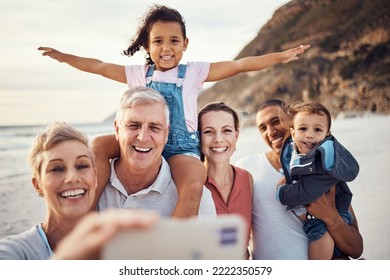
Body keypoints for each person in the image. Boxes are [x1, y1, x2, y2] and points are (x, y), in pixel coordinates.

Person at [38, 4, 310, 218]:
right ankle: (86, 213)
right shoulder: (138, 74)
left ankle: (173, 244)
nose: (166, 48)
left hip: (180, 148)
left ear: (185, 44)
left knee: (194, 182)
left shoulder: (193, 72)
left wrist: (280, 56)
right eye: (158, 41)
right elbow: (97, 66)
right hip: (143, 141)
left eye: (173, 41)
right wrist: (63, 56)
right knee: (97, 144)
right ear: (147, 46)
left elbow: (239, 65)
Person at [235, 99, 363, 260]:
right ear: (294, 130)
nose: (271, 131)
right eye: (262, 128)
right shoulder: (247, 168)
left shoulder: (324, 166)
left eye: (276, 121)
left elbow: (357, 249)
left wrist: (331, 216)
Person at [95, 86, 216, 217]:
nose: (143, 137)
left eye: (154, 128)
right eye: (133, 126)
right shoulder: (87, 186)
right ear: (117, 129)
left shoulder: (199, 199)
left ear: (166, 133)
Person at [0, 122, 98, 259]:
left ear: (95, 177)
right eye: (56, 169)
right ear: (37, 185)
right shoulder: (17, 252)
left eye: (82, 165)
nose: (72, 178)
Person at [276, 101, 359, 259]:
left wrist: (282, 193)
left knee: (320, 235)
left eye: (317, 130)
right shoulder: (296, 151)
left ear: (327, 133)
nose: (309, 134)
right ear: (293, 133)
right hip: (317, 214)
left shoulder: (325, 161)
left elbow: (306, 192)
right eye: (303, 129)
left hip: (336, 214)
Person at [198, 101, 253, 259]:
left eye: (226, 131)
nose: (218, 139)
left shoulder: (246, 179)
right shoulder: (190, 184)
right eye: (209, 132)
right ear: (198, 136)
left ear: (236, 135)